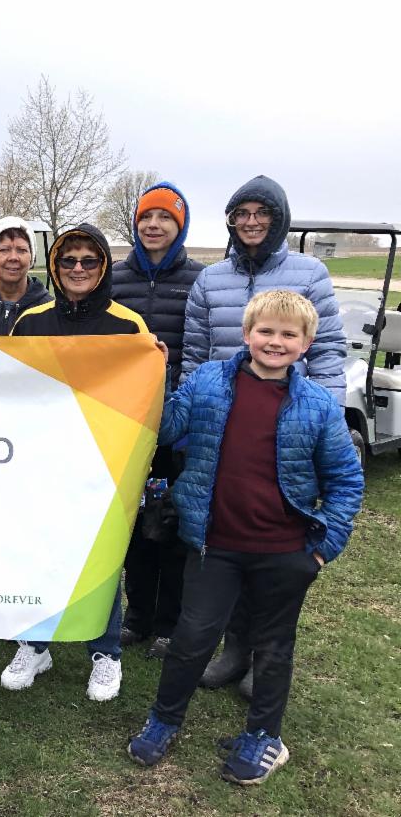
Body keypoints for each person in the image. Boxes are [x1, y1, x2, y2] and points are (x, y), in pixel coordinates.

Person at [127, 290, 361, 785]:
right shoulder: (208, 381)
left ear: (306, 343)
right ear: (247, 333)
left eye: (288, 334)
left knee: (273, 648)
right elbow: (164, 429)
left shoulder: (318, 405)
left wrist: (322, 550)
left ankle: (263, 736)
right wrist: (153, 376)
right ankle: (164, 718)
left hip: (284, 552)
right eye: (266, 331)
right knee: (192, 638)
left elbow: (346, 481)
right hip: (214, 546)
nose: (275, 342)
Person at [182, 175, 347, 697]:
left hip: (288, 424)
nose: (251, 222)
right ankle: (235, 649)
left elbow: (329, 350)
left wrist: (323, 418)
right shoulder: (210, 280)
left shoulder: (310, 273)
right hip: (222, 425)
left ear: (279, 218)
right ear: (231, 221)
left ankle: (264, 653)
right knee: (230, 535)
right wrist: (191, 424)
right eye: (242, 213)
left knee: (275, 542)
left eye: (262, 212)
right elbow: (195, 353)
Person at [4, 223, 156, 702]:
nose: (77, 268)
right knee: (39, 552)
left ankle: (106, 652)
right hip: (42, 463)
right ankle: (35, 644)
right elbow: (6, 387)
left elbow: (147, 400)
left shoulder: (128, 326)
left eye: (89, 260)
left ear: (103, 266)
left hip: (103, 466)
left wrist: (154, 362)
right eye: (68, 260)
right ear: (54, 265)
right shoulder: (31, 322)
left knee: (101, 559)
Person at [110, 183, 203, 659]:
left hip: (175, 425)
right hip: (124, 425)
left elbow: (198, 348)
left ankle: (170, 623)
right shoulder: (114, 277)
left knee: (173, 524)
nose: (154, 225)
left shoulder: (199, 279)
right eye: (147, 216)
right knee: (133, 526)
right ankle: (138, 616)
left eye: (165, 217)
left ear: (180, 226)